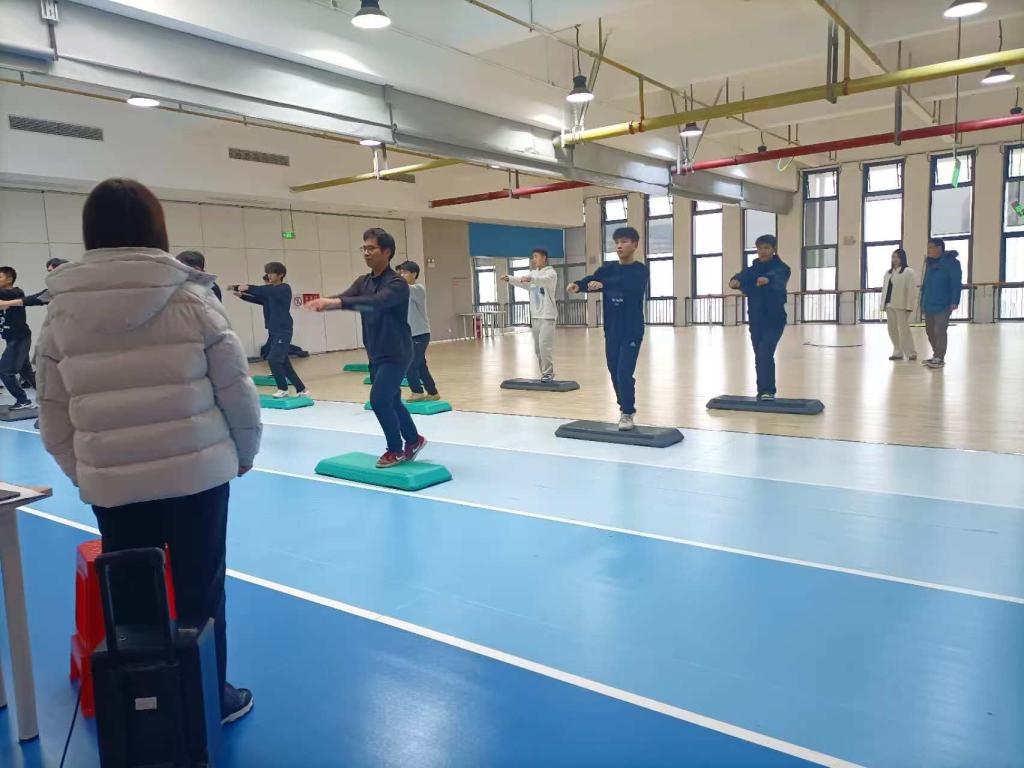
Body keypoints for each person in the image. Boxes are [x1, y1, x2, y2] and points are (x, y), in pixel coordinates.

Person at [35, 177, 262, 724]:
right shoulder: (193, 299)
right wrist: (243, 452)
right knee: (201, 593)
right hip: (197, 478)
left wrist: (87, 471)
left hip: (114, 485)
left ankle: (146, 708)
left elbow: (53, 413)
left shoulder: (59, 313)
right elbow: (237, 390)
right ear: (157, 229)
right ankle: (209, 698)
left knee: (132, 599)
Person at [308, 228, 427, 467]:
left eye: (371, 248)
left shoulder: (397, 283)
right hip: (375, 351)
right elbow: (349, 297)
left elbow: (376, 303)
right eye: (364, 248)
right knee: (392, 399)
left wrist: (336, 302)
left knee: (379, 400)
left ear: (387, 252)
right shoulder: (363, 281)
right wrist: (327, 303)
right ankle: (414, 440)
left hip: (397, 352)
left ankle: (395, 450)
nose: (366, 253)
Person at [567, 226, 648, 430]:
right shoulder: (608, 269)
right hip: (612, 330)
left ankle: (628, 412)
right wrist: (579, 285)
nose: (619, 246)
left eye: (624, 242)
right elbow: (592, 280)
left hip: (632, 329)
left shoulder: (640, 270)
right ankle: (624, 407)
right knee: (614, 371)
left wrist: (604, 286)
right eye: (617, 242)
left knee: (623, 372)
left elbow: (630, 288)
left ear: (635, 245)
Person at [229, 263, 309, 398]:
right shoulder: (271, 292)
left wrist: (246, 287)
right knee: (283, 362)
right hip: (274, 330)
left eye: (272, 273)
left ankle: (283, 389)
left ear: (281, 275)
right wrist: (242, 295)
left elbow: (262, 290)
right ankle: (302, 390)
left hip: (283, 330)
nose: (269, 276)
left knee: (273, 359)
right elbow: (260, 299)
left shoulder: (284, 288)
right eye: (268, 273)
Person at [729, 234, 791, 401]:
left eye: (766, 248)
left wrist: (767, 279)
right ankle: (762, 391)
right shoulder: (752, 269)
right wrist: (735, 281)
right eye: (759, 248)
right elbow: (741, 277)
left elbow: (778, 277)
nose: (762, 251)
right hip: (756, 321)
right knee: (760, 356)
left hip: (774, 321)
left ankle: (768, 391)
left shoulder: (782, 268)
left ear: (774, 249)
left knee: (764, 353)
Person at [502, 248, 559, 382]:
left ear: (544, 258)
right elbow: (522, 282)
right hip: (535, 316)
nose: (534, 259)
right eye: (533, 257)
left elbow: (542, 280)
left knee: (544, 346)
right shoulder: (533, 273)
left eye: (536, 256)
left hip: (547, 316)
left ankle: (548, 373)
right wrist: (510, 278)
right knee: (538, 348)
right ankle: (544, 373)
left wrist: (531, 278)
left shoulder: (551, 273)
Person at [396, 260, 440, 402]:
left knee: (410, 364)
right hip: (408, 334)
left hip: (420, 334)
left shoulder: (418, 289)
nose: (401, 275)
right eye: (400, 273)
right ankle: (433, 392)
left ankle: (417, 392)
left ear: (414, 274)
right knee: (420, 365)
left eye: (405, 272)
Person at [919, 237, 962, 369]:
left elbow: (956, 283)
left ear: (939, 248)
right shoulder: (929, 264)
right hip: (929, 303)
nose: (929, 250)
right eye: (928, 247)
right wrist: (922, 302)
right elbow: (925, 285)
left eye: (931, 247)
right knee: (930, 331)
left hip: (943, 304)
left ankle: (940, 357)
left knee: (940, 330)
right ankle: (936, 354)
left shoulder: (952, 263)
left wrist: (955, 301)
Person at [0, 266, 34, 411]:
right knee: (26, 371)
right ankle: (52, 397)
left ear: (9, 279)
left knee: (4, 371)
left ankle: (23, 400)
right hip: (13, 338)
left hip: (19, 338)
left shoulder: (15, 292)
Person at [880, 248, 917, 361]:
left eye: (897, 257)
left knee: (903, 329)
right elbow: (885, 289)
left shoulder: (908, 272)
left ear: (902, 258)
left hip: (901, 305)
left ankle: (911, 352)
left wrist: (909, 306)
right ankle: (897, 352)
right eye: (893, 257)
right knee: (892, 329)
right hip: (889, 304)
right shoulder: (888, 273)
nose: (895, 259)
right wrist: (883, 304)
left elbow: (911, 291)